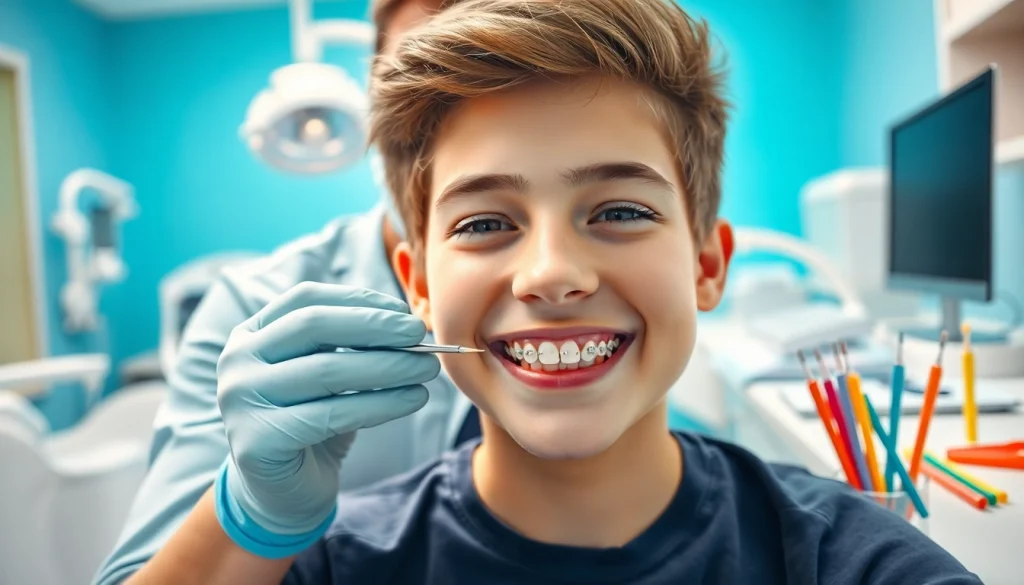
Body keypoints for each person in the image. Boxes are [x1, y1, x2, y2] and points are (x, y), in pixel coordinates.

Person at [119, 0, 984, 583]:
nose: (550, 273)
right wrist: (253, 517)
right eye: (485, 222)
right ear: (415, 281)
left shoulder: (848, 560)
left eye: (620, 209)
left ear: (708, 264)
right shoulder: (327, 563)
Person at [92, 1, 481, 584]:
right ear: (373, 102)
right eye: (421, 84)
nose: (463, 124)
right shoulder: (255, 307)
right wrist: (252, 516)